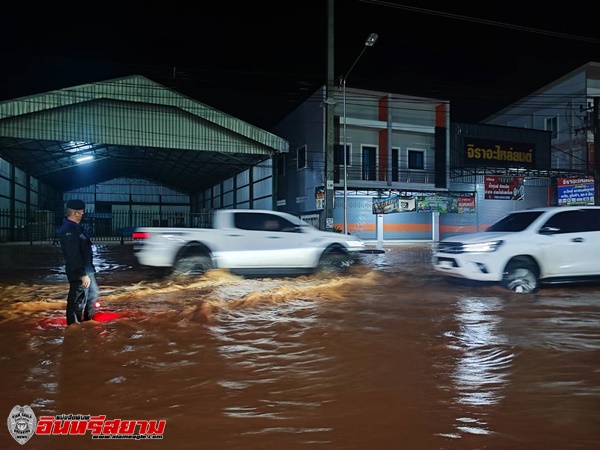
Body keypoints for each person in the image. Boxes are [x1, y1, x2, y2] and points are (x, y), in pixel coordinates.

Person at [59, 199, 98, 325]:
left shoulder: (76, 228)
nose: (83, 214)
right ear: (75, 213)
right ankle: (73, 328)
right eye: (81, 212)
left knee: (90, 296)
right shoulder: (69, 230)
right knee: (77, 300)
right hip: (78, 271)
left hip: (85, 270)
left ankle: (87, 323)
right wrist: (82, 274)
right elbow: (73, 255)